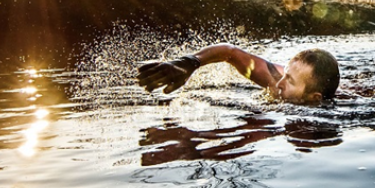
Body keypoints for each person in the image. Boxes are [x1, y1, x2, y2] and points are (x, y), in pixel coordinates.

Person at [137, 44, 339, 105]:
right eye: (285, 74)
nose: (279, 84)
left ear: (314, 98)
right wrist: (189, 62)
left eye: (290, 82)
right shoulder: (276, 79)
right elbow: (230, 53)